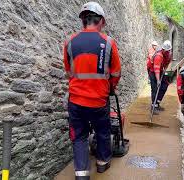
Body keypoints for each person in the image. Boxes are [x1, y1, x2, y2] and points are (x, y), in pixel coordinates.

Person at [63, 2, 121, 180]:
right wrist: (110, 88)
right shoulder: (109, 43)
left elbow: (68, 72)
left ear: (83, 21)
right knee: (103, 131)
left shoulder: (69, 42)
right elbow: (116, 73)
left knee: (79, 136)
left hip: (76, 101)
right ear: (101, 21)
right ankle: (102, 163)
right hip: (99, 101)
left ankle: (81, 174)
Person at [148, 40, 172, 114]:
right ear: (163, 49)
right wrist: (158, 80)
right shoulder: (158, 56)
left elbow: (167, 62)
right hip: (152, 71)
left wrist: (164, 70)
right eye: (166, 50)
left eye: (168, 50)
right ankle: (153, 106)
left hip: (161, 70)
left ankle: (157, 102)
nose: (167, 52)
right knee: (155, 88)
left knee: (165, 85)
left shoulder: (169, 54)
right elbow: (156, 69)